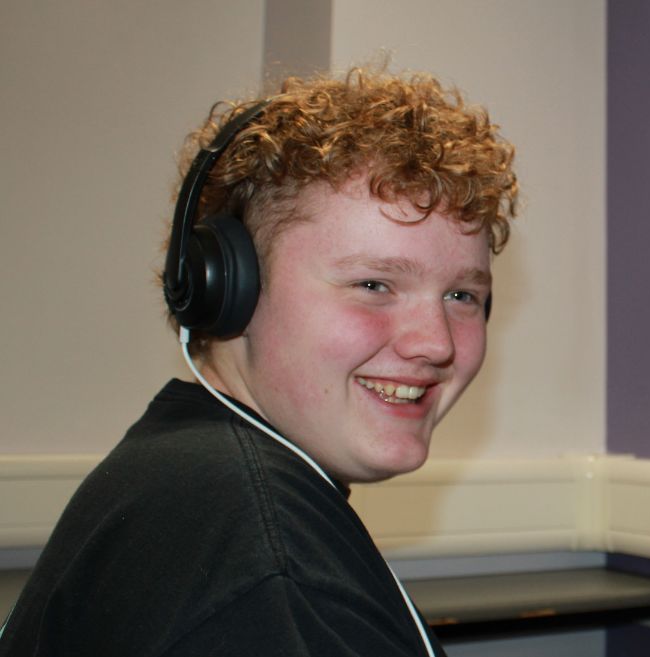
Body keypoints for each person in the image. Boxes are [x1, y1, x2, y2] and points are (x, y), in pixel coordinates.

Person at [0, 67, 517, 656]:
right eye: (373, 284)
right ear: (227, 289)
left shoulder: (190, 483)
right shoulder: (268, 571)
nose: (436, 343)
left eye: (462, 296)